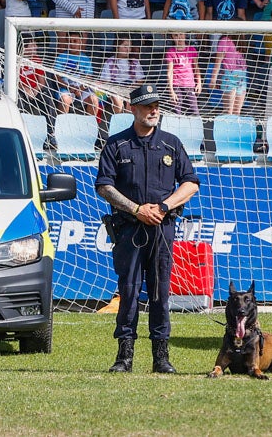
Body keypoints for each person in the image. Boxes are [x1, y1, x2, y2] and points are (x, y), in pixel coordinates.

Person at [95, 83, 200, 374]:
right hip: (129, 229)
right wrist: (135, 210)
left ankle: (161, 358)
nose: (153, 110)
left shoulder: (171, 143)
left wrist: (164, 207)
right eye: (147, 106)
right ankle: (124, 357)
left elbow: (190, 183)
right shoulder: (117, 144)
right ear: (133, 109)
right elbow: (104, 186)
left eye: (156, 105)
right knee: (128, 291)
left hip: (162, 230)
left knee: (159, 293)